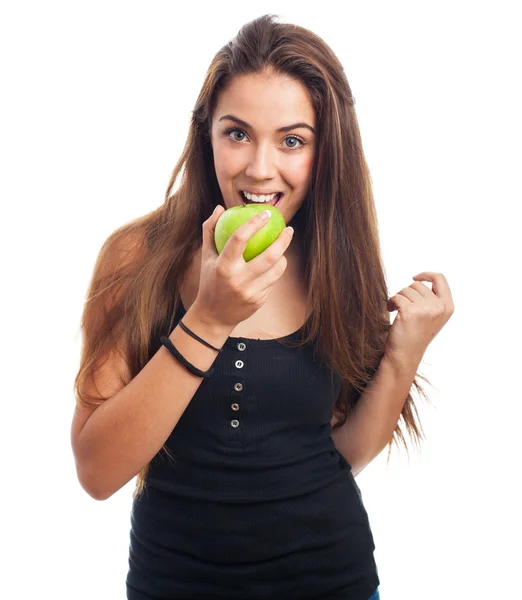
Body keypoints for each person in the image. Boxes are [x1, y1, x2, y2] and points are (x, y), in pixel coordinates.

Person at [71, 14, 454, 600]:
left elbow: (340, 453)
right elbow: (97, 473)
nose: (259, 168)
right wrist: (209, 318)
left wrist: (403, 356)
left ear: (327, 150)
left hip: (335, 583)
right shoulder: (136, 257)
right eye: (238, 133)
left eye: (292, 140)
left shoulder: (336, 262)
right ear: (207, 135)